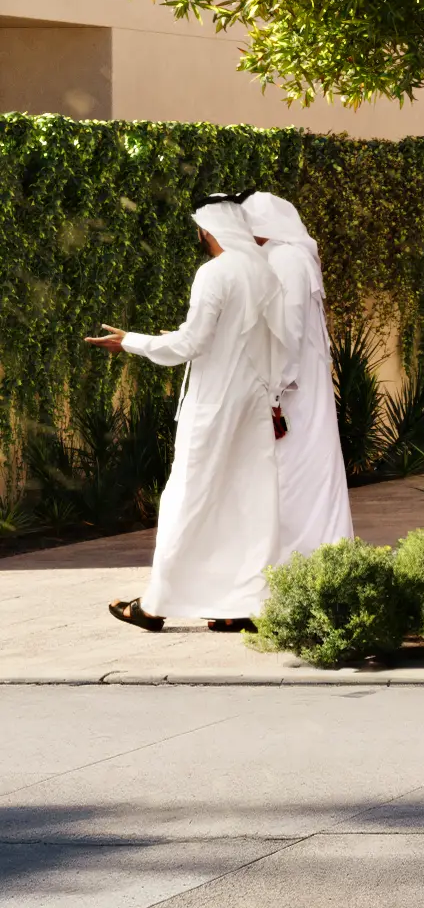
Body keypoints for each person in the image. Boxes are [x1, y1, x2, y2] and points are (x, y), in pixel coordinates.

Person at [88, 199, 286, 631]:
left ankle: (156, 606)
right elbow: (266, 344)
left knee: (188, 500)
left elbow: (189, 346)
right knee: (247, 503)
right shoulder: (266, 274)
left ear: (206, 230)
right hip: (252, 406)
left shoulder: (214, 273)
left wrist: (132, 342)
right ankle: (240, 606)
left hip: (213, 408)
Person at [244, 192, 357, 558]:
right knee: (306, 475)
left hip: (294, 393)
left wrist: (274, 396)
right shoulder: (290, 258)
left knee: (295, 478)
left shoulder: (286, 260)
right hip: (301, 388)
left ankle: (302, 567)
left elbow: (287, 334)